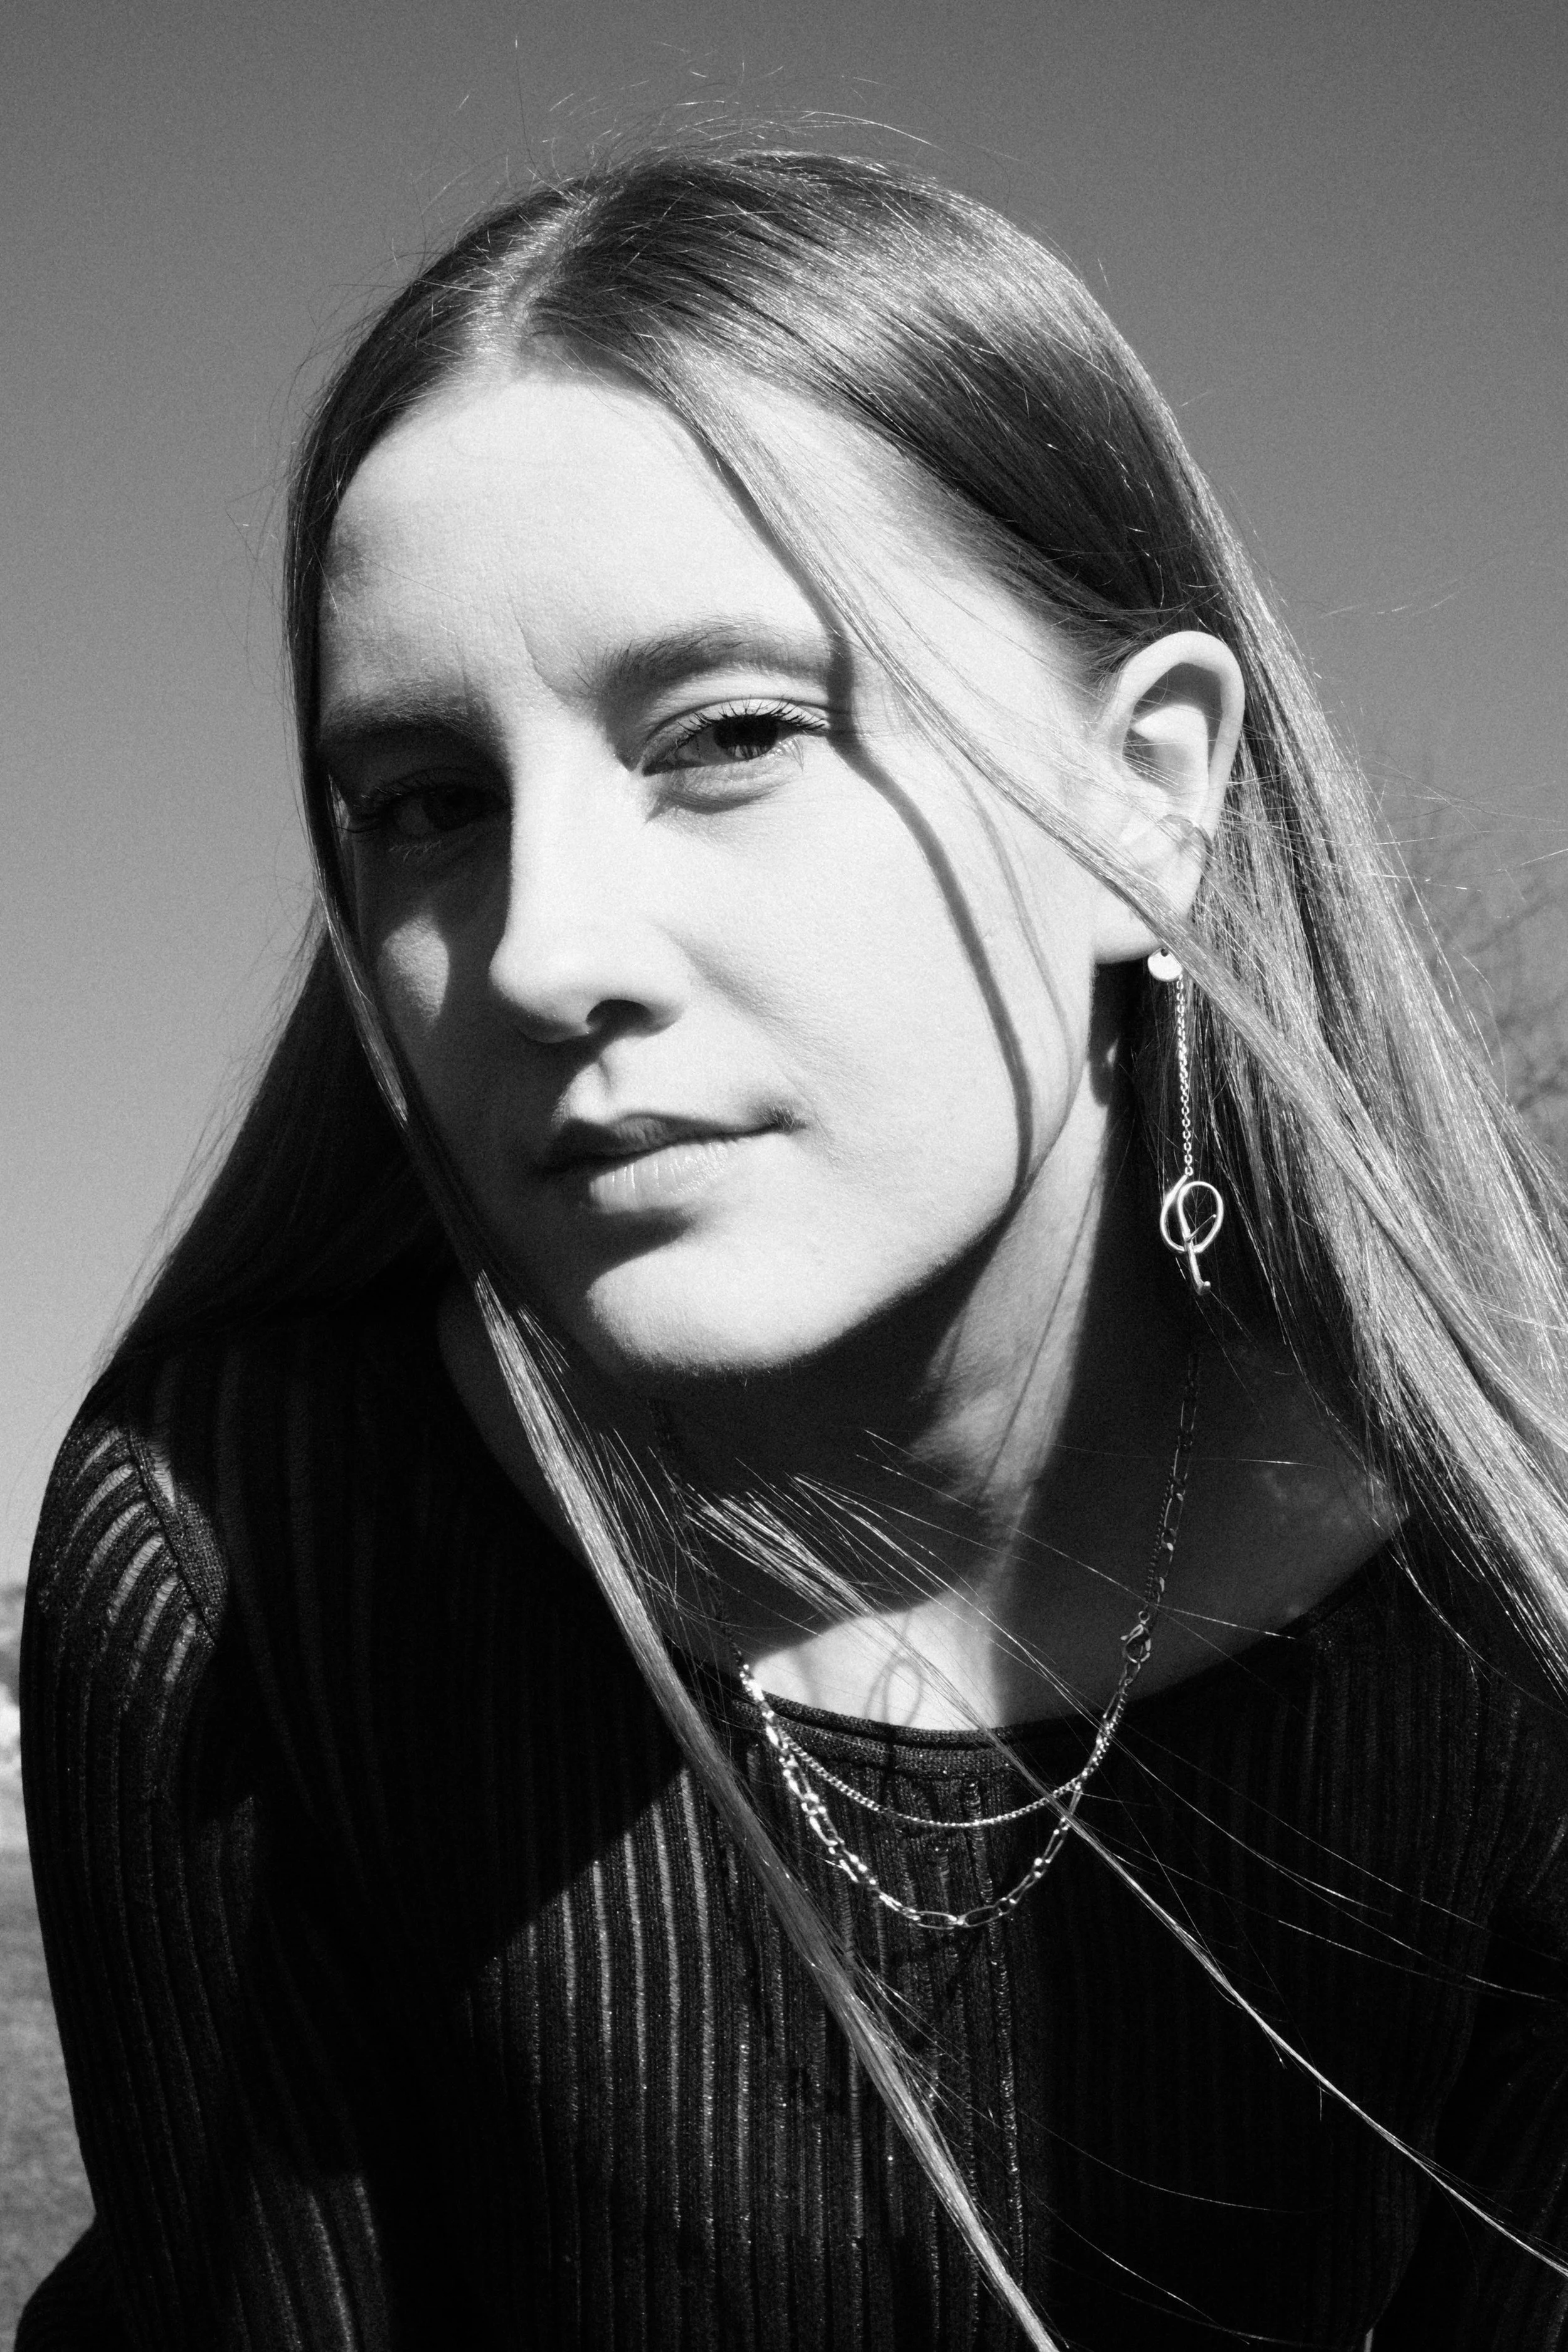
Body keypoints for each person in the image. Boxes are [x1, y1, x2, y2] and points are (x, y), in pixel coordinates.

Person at [19, 147, 1568, 2352]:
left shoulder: (1507, 1654)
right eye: (426, 802)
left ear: (1150, 792)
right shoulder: (246, 1565)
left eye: (731, 734)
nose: (539, 949)